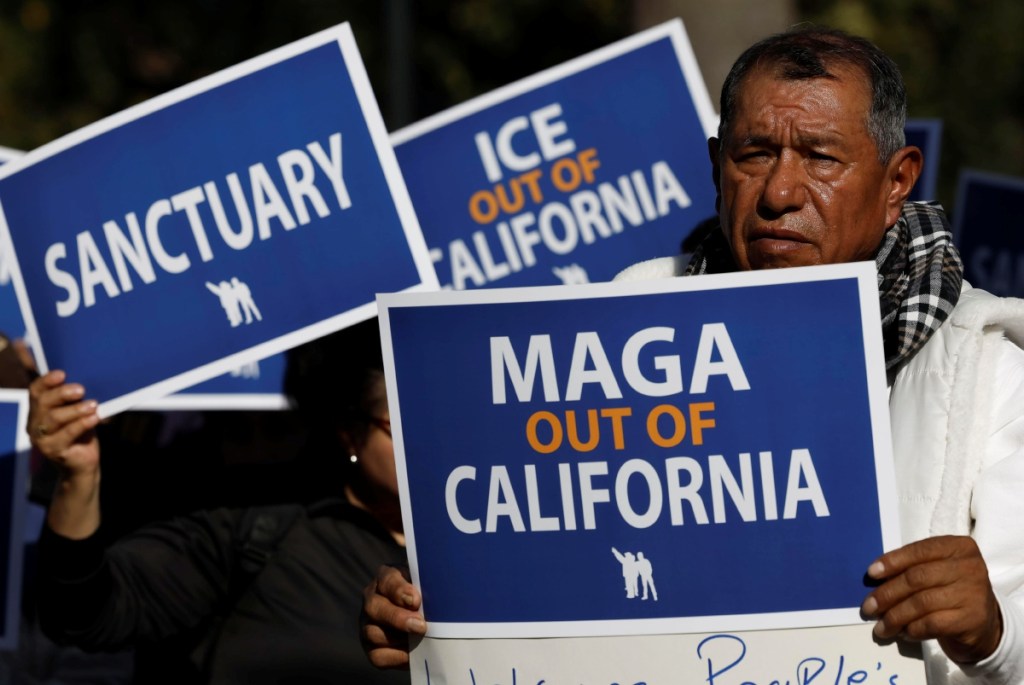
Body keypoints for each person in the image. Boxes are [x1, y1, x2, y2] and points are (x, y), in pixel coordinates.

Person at [361, 27, 1024, 685]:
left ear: (896, 181)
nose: (780, 192)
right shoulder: (622, 316)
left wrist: (991, 634)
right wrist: (434, 618)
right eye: (755, 154)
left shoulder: (988, 374)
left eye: (820, 156)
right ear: (715, 166)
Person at [28, 319, 410, 685]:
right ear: (349, 434)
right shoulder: (258, 526)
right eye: (402, 426)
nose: (430, 443)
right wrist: (78, 478)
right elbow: (83, 612)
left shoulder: (469, 548)